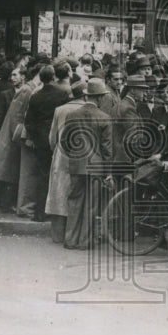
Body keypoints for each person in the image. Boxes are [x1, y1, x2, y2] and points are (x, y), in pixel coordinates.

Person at [63, 79, 114, 249]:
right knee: (92, 205)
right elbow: (107, 150)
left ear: (86, 97)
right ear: (99, 98)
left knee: (74, 201)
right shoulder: (105, 118)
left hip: (76, 164)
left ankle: (70, 239)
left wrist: (74, 155)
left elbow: (64, 142)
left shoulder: (72, 115)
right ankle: (85, 241)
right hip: (96, 166)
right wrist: (108, 173)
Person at [21, 64, 71, 221]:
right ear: (54, 77)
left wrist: (37, 136)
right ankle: (56, 212)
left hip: (41, 141)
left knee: (42, 175)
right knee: (58, 174)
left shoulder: (36, 96)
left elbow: (29, 122)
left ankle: (40, 212)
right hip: (58, 138)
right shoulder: (62, 94)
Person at [0, 66, 35, 213]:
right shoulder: (5, 94)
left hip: (15, 134)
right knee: (4, 167)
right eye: (12, 75)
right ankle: (3, 201)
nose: (12, 78)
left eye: (15, 75)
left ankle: (8, 201)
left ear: (23, 77)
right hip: (5, 133)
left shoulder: (26, 92)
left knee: (10, 168)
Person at [45, 80, 88, 243]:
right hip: (82, 155)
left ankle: (57, 234)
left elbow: (52, 137)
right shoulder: (88, 109)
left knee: (58, 193)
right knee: (76, 195)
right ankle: (74, 234)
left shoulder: (60, 110)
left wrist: (55, 150)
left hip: (61, 154)